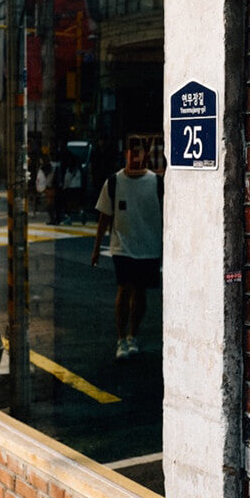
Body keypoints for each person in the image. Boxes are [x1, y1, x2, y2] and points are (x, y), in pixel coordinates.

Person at [90, 136, 163, 360]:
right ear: (126, 155)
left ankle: (133, 335)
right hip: (121, 246)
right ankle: (121, 339)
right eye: (130, 151)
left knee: (140, 292)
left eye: (138, 151)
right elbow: (104, 217)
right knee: (124, 288)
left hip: (149, 246)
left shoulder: (157, 182)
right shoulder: (114, 182)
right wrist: (96, 249)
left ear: (145, 154)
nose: (134, 155)